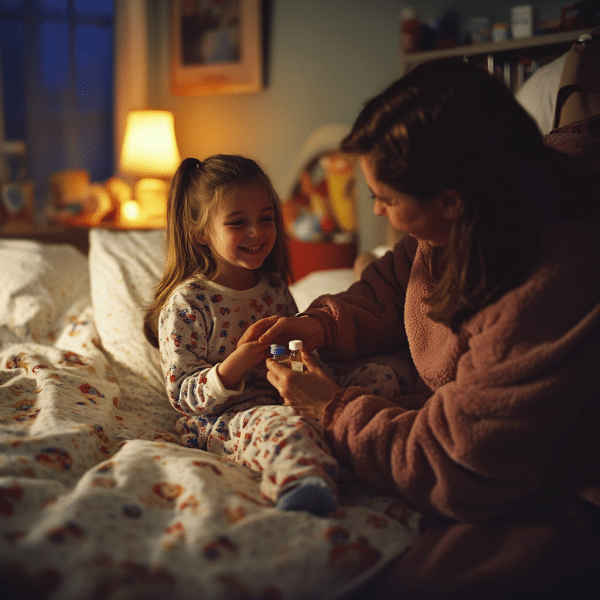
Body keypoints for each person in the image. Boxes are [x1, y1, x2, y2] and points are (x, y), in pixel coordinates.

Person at [239, 59, 600, 598]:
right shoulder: (490, 193)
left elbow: (457, 464)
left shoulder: (546, 283)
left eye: (385, 199)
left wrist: (331, 407)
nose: (378, 210)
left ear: (452, 203)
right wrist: (321, 322)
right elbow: (394, 280)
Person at [142, 154, 339, 516]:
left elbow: (294, 353)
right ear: (200, 233)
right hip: (224, 419)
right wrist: (234, 365)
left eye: (266, 218)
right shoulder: (188, 303)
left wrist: (312, 377)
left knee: (378, 376)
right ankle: (301, 481)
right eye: (237, 223)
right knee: (284, 425)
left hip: (285, 396)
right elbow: (181, 394)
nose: (257, 232)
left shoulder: (275, 288)